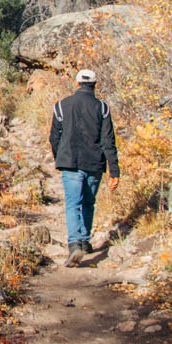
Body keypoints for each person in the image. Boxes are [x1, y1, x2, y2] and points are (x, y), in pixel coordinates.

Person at [49, 69, 120, 267]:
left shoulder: (61, 106)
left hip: (70, 162)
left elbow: (54, 137)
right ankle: (84, 240)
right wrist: (114, 171)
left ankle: (74, 244)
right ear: (95, 85)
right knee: (88, 203)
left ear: (77, 83)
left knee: (73, 203)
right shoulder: (102, 108)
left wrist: (59, 158)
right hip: (94, 163)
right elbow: (108, 142)